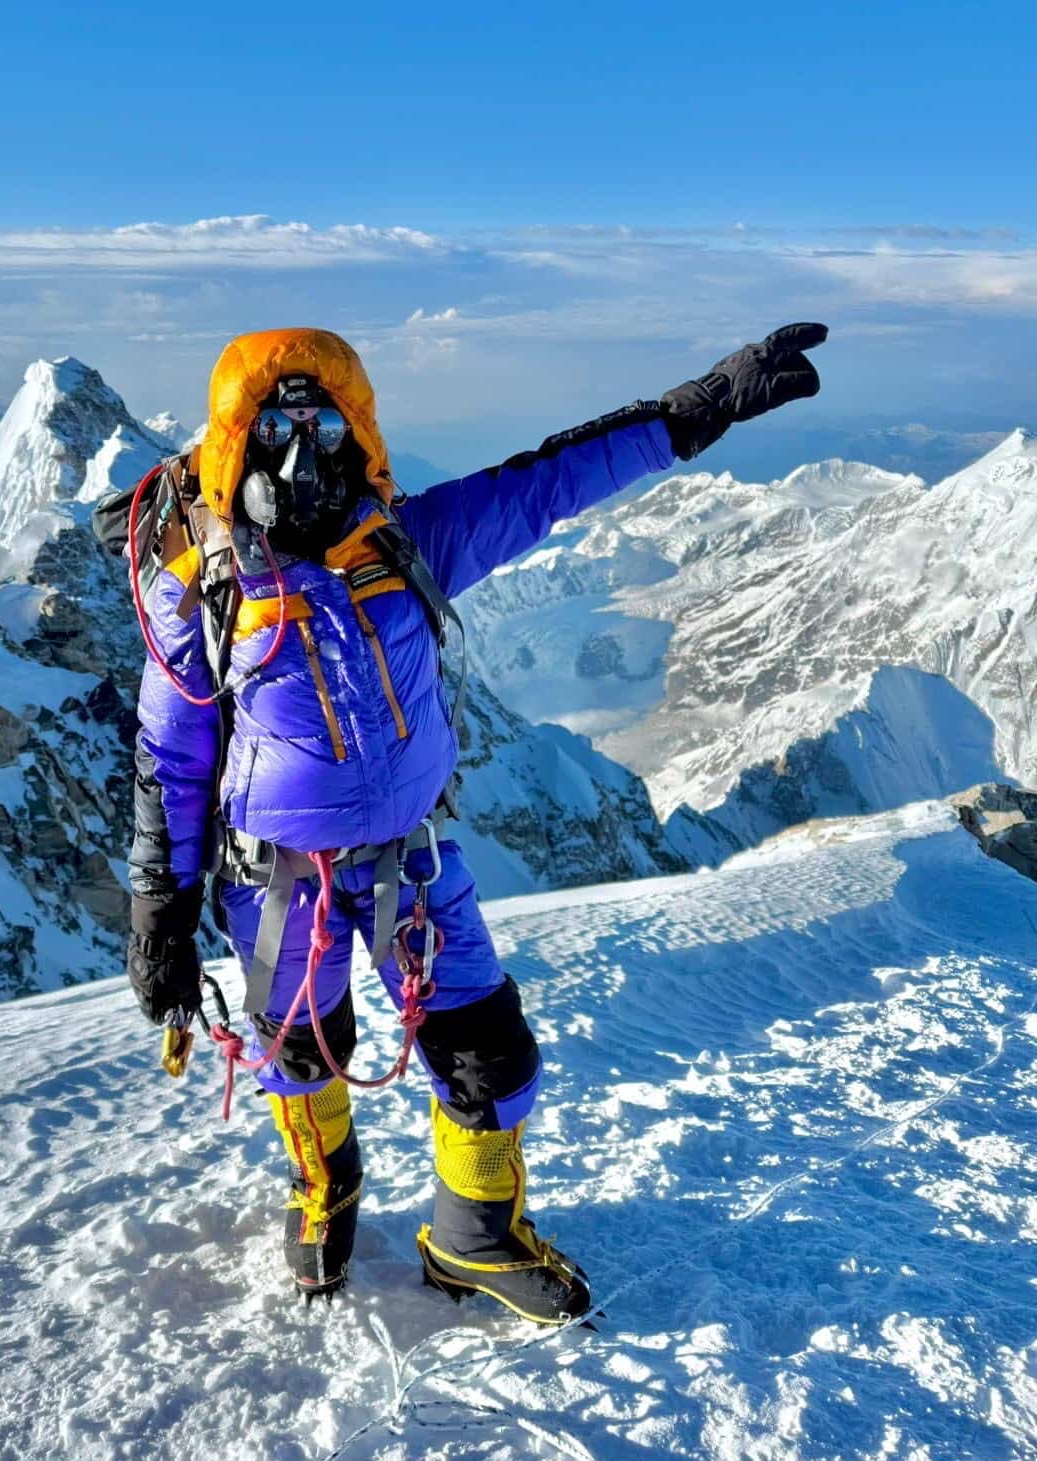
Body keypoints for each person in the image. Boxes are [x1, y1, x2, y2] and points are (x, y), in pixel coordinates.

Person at [125, 322, 827, 1323]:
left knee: (486, 1051)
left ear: (355, 426)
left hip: (410, 865)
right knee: (301, 1049)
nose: (303, 449)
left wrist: (698, 407)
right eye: (276, 423)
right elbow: (171, 756)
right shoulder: (201, 585)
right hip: (274, 880)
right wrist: (160, 910)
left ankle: (473, 1237)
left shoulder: (405, 541)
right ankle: (324, 1188)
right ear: (234, 438)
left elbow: (547, 482)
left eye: (322, 419)